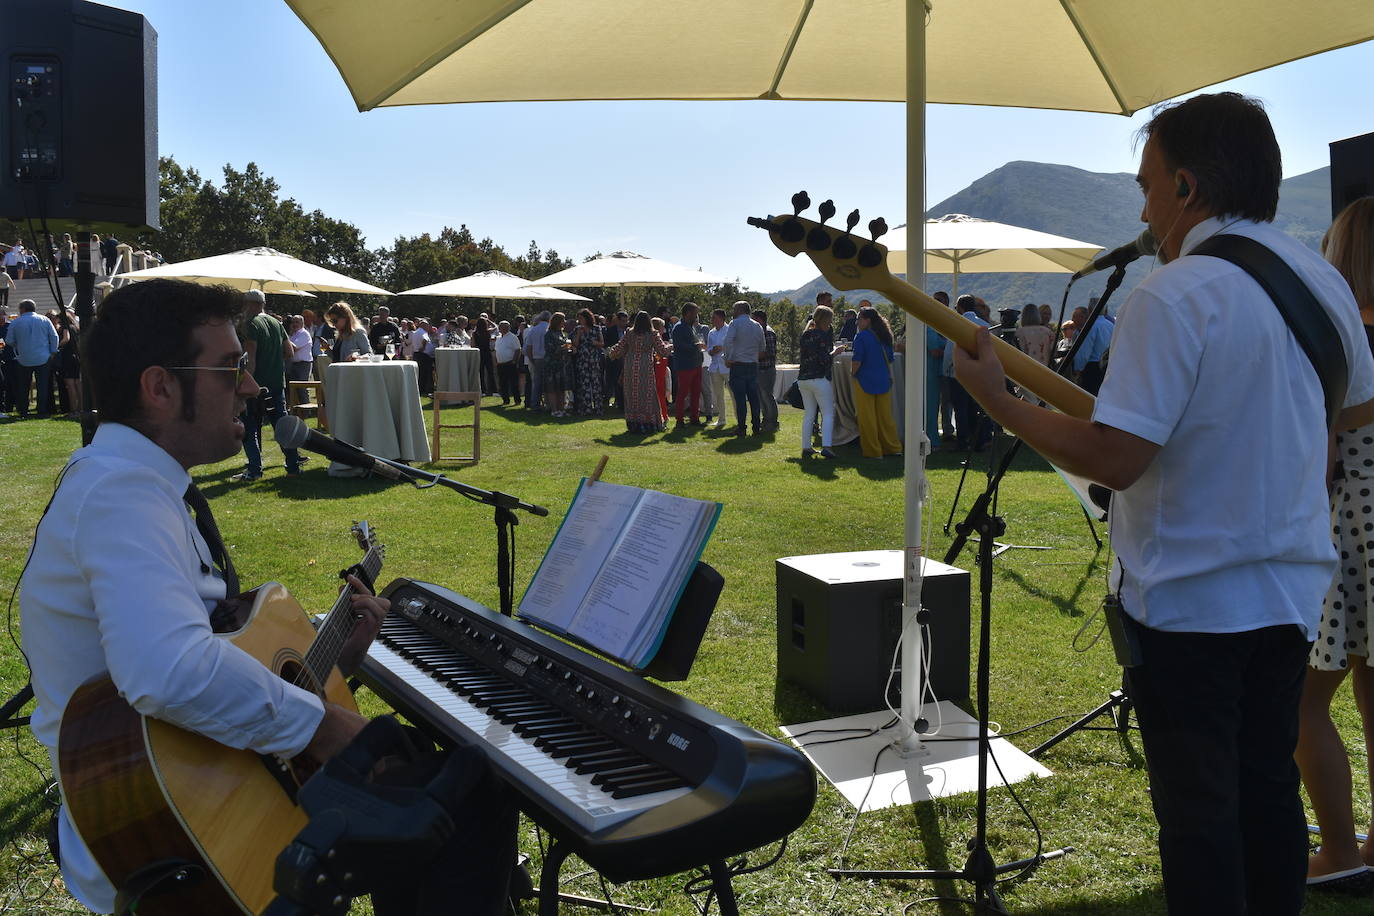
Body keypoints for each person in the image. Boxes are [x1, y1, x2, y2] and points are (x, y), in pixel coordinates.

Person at [953, 92, 1374, 915]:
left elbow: (1119, 455)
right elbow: (1349, 416)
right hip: (1290, 593)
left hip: (1186, 605)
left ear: (1185, 188)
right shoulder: (1321, 281)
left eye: (1147, 185)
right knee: (1265, 796)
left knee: (1197, 818)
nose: (1142, 207)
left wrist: (998, 399)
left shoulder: (1173, 295)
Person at [19, 278, 516, 915]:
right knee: (472, 791)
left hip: (207, 788)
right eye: (231, 368)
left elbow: (205, 647)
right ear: (160, 387)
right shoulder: (121, 493)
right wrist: (328, 725)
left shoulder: (142, 484)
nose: (253, 389)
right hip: (165, 820)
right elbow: (165, 670)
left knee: (447, 797)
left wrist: (336, 667)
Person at [1296, 197, 1374, 893]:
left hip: (1351, 531)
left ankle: (1341, 854)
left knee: (1303, 698)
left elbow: (1318, 452)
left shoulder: (1347, 341)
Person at [234, 290, 302, 481]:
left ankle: (254, 470)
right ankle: (293, 466)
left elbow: (251, 359)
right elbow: (289, 352)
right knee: (282, 425)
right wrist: (272, 361)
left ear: (248, 304)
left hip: (258, 385)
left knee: (250, 427)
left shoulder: (250, 324)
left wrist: (244, 386)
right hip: (276, 383)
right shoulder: (276, 322)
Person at [850, 306, 902, 458]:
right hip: (883, 380)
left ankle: (873, 451)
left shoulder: (861, 337)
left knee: (868, 418)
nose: (857, 322)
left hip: (865, 381)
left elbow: (857, 360)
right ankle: (893, 448)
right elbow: (891, 358)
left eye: (859, 318)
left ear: (867, 320)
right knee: (885, 417)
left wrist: (852, 373)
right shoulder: (885, 336)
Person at [607, 310, 671, 433]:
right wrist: (671, 346)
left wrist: (610, 354)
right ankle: (648, 423)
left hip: (630, 366)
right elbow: (663, 351)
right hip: (645, 366)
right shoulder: (653, 334)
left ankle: (633, 423)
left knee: (632, 394)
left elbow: (618, 348)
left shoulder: (629, 333)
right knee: (647, 394)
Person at [797, 303, 842, 459]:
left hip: (803, 379)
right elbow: (824, 360)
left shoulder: (805, 334)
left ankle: (806, 446)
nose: (831, 323)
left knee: (809, 414)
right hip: (819, 379)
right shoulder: (822, 336)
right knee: (828, 413)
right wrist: (835, 352)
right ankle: (827, 446)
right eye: (830, 320)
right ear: (825, 320)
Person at [4, 299, 59, 418]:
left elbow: (9, 340)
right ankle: (42, 411)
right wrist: (53, 351)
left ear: (22, 309)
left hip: (23, 357)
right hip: (43, 356)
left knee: (23, 386)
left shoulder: (16, 322)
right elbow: (54, 336)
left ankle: (23, 410)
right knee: (42, 385)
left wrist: (17, 345)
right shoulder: (45, 320)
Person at [722, 301, 765, 437]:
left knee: (740, 399)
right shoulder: (757, 325)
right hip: (752, 365)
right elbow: (762, 346)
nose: (733, 312)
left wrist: (728, 358)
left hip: (738, 364)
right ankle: (756, 427)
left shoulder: (734, 324)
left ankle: (742, 428)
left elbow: (728, 341)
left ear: (740, 310)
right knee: (754, 398)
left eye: (734, 309)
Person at [669, 303, 706, 427]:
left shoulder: (691, 327)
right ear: (688, 313)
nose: (697, 316)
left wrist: (697, 347)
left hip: (696, 363)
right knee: (683, 393)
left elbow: (695, 342)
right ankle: (679, 419)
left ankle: (694, 418)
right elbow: (678, 346)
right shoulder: (679, 327)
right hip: (685, 365)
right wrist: (695, 346)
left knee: (696, 392)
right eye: (695, 313)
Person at [571, 308, 604, 415]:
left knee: (596, 384)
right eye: (578, 319)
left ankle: (598, 407)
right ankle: (586, 408)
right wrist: (579, 335)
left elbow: (602, 343)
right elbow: (575, 344)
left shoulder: (596, 328)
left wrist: (595, 342)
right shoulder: (577, 329)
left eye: (581, 318)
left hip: (593, 359)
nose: (580, 320)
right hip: (582, 360)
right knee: (584, 384)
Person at [753, 308, 779, 432]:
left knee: (767, 396)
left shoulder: (767, 332)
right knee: (761, 397)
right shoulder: (759, 332)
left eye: (754, 319)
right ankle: (767, 420)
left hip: (766, 370)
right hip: (760, 369)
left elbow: (770, 352)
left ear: (759, 319)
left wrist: (751, 355)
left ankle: (772, 421)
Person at [542, 312, 571, 417]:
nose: (565, 322)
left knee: (561, 388)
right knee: (552, 388)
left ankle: (562, 409)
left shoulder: (562, 333)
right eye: (563, 320)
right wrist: (562, 348)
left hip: (561, 365)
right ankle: (554, 410)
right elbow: (550, 350)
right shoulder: (549, 334)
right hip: (551, 365)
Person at [1015, 303, 1054, 368]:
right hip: (1044, 370)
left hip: (1024, 368)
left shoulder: (1018, 333)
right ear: (1038, 315)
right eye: (1045, 314)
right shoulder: (1048, 332)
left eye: (1049, 314)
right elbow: (1053, 353)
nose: (1047, 316)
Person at [286, 314, 314, 405]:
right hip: (294, 364)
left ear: (302, 323)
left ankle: (307, 410)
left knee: (302, 387)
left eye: (297, 322)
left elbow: (294, 348)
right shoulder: (293, 334)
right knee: (293, 388)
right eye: (293, 322)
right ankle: (297, 409)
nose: (294, 324)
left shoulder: (304, 334)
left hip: (303, 364)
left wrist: (285, 338)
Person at [525, 310, 550, 411]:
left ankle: (535, 404)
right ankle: (549, 404)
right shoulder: (549, 329)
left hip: (536, 358)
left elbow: (528, 347)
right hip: (548, 358)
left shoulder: (533, 330)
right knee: (549, 383)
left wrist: (532, 359)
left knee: (536, 383)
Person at [493, 319, 522, 405]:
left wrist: (514, 361)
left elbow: (518, 350)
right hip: (500, 364)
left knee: (514, 383)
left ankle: (517, 400)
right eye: (500, 327)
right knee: (502, 383)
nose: (501, 329)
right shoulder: (498, 338)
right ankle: (505, 400)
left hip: (510, 363)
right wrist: (496, 362)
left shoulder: (513, 337)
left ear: (507, 328)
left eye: (503, 327)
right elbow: (496, 351)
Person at [650, 317, 671, 426]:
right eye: (662, 326)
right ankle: (662, 415)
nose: (664, 329)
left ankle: (664, 414)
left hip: (662, 370)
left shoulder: (661, 339)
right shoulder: (655, 339)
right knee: (659, 393)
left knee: (663, 392)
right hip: (658, 370)